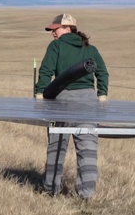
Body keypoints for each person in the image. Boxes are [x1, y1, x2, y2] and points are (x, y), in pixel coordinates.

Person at [35, 13, 109, 200]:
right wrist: (101, 94)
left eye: (55, 29)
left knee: (57, 146)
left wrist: (40, 93)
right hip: (88, 101)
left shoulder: (56, 46)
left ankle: (51, 190)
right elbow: (102, 72)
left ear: (68, 29)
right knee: (88, 147)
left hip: (62, 100)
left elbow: (45, 71)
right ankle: (86, 195)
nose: (53, 33)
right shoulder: (90, 48)